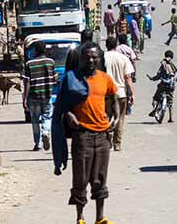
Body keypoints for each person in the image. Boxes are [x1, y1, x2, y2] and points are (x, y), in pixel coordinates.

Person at [66, 42, 118, 224]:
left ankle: (100, 217)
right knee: (80, 178)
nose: (91, 60)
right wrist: (69, 115)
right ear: (81, 59)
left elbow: (113, 98)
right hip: (82, 135)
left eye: (94, 57)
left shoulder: (105, 78)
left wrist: (116, 117)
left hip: (103, 136)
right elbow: (64, 106)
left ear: (99, 59)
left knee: (99, 177)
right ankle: (80, 217)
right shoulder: (72, 79)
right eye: (87, 56)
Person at [23, 40, 59, 151]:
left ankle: (37, 143)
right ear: (44, 50)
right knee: (47, 116)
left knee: (34, 120)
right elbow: (55, 79)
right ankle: (46, 132)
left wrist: (25, 98)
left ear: (35, 50)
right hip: (47, 95)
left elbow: (27, 82)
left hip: (33, 96)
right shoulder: (50, 62)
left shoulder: (29, 63)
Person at [104, 37, 135, 152]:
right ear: (116, 45)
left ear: (106, 45)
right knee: (120, 118)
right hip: (121, 93)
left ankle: (108, 137)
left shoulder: (102, 57)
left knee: (106, 116)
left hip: (106, 93)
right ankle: (117, 143)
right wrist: (132, 93)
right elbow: (128, 78)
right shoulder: (123, 58)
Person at [148, 50, 177, 122]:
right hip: (171, 86)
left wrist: (153, 78)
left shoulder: (163, 64)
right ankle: (171, 118)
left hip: (163, 84)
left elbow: (159, 75)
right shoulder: (174, 65)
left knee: (155, 97)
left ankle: (154, 109)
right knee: (170, 101)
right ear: (172, 57)